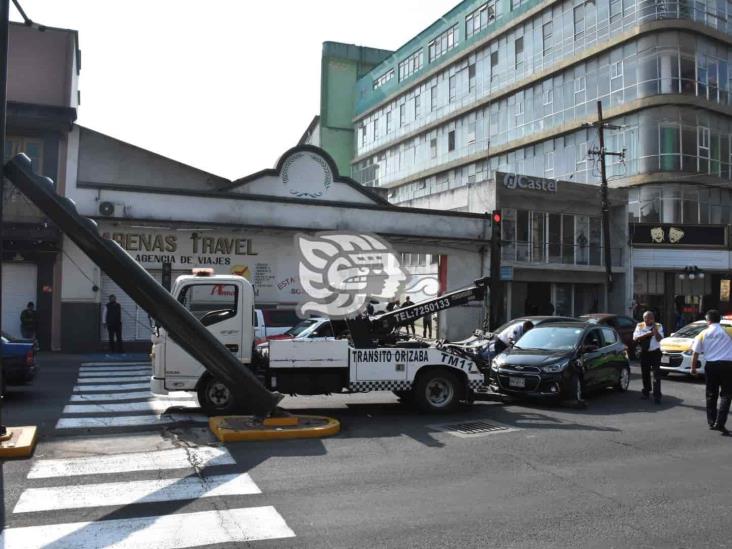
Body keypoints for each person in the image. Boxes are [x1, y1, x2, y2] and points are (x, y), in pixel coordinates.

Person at [690, 309, 732, 436]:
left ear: (708, 320)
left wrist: (693, 368)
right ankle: (720, 422)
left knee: (711, 394)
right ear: (719, 319)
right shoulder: (729, 330)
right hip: (727, 365)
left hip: (711, 366)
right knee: (726, 394)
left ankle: (711, 422)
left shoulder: (703, 333)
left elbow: (695, 352)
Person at [633, 310, 664, 403]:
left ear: (653, 319)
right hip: (644, 352)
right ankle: (646, 392)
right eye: (645, 318)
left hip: (655, 353)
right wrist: (648, 334)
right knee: (645, 373)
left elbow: (659, 339)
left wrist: (655, 331)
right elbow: (635, 338)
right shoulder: (640, 325)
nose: (646, 320)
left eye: (649, 318)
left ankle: (657, 396)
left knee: (656, 375)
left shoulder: (658, 326)